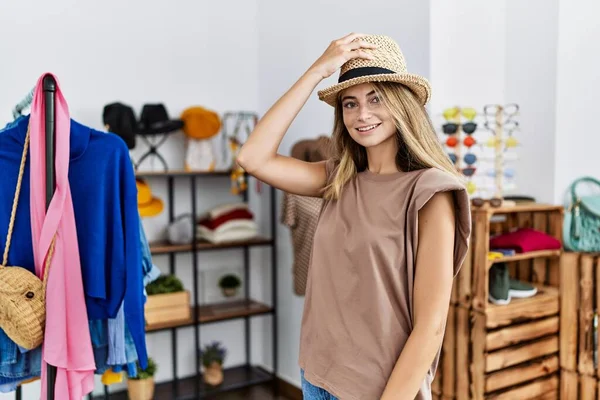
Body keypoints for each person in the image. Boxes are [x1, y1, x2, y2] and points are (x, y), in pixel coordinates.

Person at [237, 33, 471, 400]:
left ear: (402, 103)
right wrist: (316, 72)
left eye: (376, 98)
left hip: (380, 389)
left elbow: (431, 326)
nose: (362, 115)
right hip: (318, 375)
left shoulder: (430, 191)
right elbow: (252, 158)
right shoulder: (338, 179)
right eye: (349, 103)